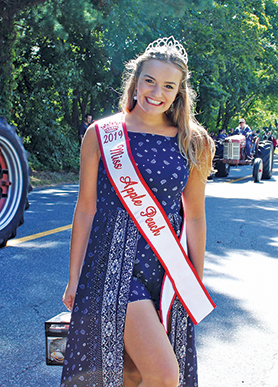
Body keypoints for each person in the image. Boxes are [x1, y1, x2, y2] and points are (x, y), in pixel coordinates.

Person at [61, 36, 215, 387]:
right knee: (163, 374)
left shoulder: (194, 141)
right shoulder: (101, 134)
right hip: (111, 266)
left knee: (133, 374)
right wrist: (73, 277)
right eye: (149, 80)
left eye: (168, 86)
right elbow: (86, 209)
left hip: (166, 269)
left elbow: (194, 215)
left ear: (179, 93)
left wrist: (195, 280)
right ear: (135, 80)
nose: (155, 92)